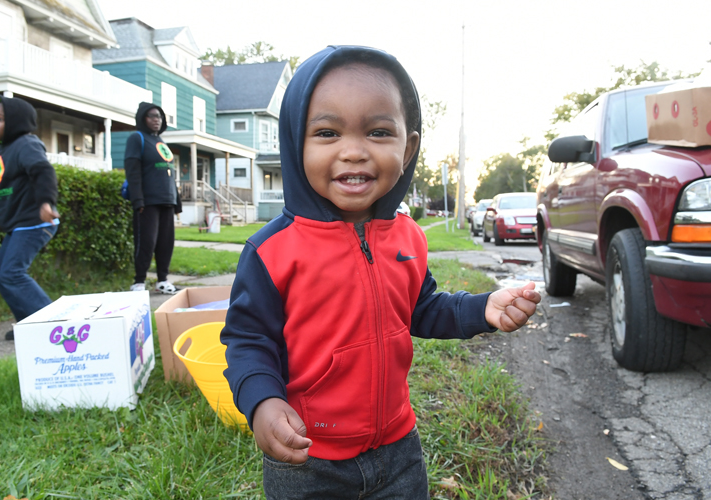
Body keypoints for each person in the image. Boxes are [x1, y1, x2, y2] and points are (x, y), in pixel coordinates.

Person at [220, 46, 542, 499]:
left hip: (397, 450)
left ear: (407, 147)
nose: (354, 152)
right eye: (328, 132)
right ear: (296, 142)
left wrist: (482, 308)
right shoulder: (272, 251)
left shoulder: (408, 237)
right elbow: (248, 339)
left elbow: (422, 309)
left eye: (377, 131)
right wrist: (263, 403)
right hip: (308, 458)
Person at [0, 95, 59, 340]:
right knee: (1, 274)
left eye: (0, 119)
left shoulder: (26, 144)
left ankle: (55, 324)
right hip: (19, 225)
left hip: (35, 222)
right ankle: (28, 323)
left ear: (15, 122)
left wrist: (47, 202)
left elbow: (43, 171)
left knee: (11, 273)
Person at [124, 102, 182, 294]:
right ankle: (139, 281)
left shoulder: (160, 142)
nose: (156, 119)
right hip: (148, 201)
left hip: (167, 200)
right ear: (143, 118)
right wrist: (137, 200)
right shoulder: (137, 138)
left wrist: (177, 201)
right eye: (152, 116)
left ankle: (162, 280)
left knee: (166, 242)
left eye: (159, 116)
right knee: (146, 241)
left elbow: (170, 173)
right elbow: (132, 172)